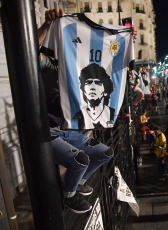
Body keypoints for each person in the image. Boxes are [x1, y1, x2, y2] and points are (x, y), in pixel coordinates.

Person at [39, 9, 115, 214]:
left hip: (67, 131)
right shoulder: (51, 67)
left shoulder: (85, 75)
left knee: (104, 153)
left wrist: (126, 41)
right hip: (46, 132)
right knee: (79, 160)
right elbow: (29, 51)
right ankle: (69, 195)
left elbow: (113, 66)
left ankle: (77, 182)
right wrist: (47, 26)